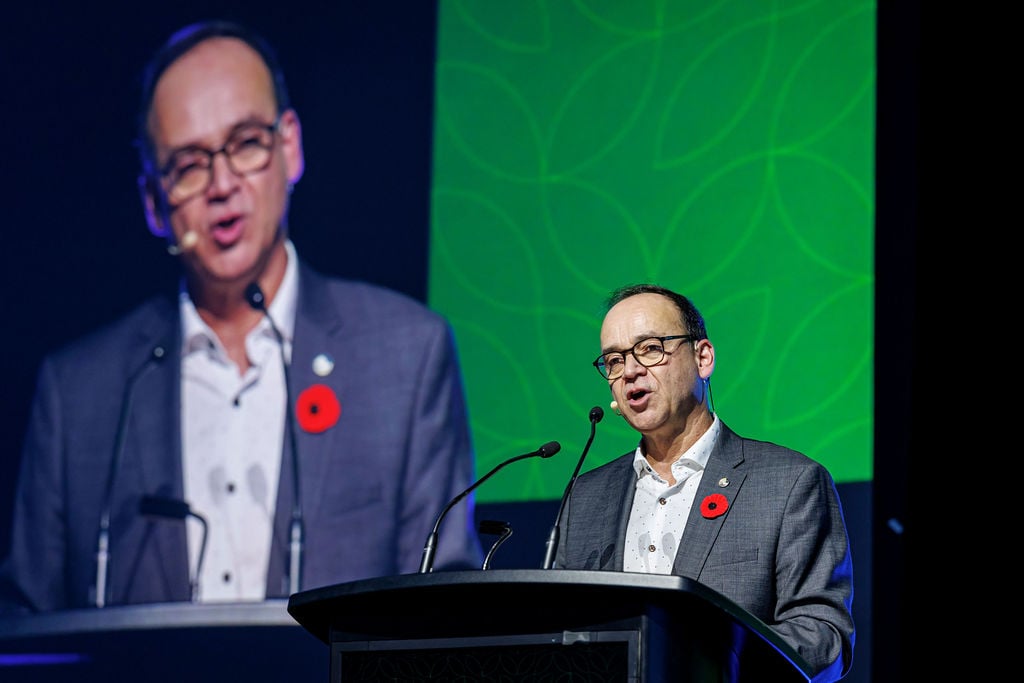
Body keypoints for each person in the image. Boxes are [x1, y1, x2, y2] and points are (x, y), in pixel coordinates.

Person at [0, 20, 483, 612]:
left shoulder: (406, 356)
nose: (222, 184)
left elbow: (444, 608)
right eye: (188, 165)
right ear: (153, 202)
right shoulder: (79, 394)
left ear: (290, 147)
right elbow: (25, 625)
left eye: (246, 143)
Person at [554, 283, 855, 682]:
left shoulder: (789, 484)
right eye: (613, 360)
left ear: (703, 357)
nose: (630, 371)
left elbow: (823, 637)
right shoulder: (585, 497)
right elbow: (553, 634)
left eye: (650, 349)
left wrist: (714, 660)